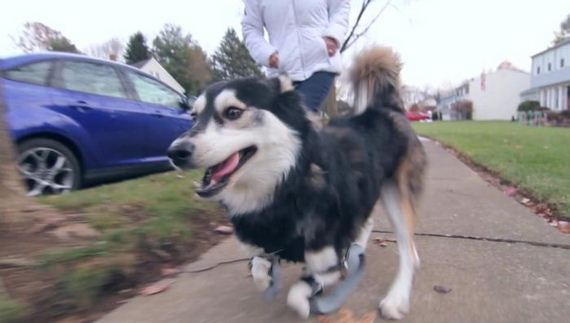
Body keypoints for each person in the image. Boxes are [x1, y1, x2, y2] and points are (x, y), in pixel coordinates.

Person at [242, 0, 350, 113]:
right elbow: (251, 29)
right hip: (281, 71)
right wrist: (266, 54)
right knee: (284, 121)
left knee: (299, 113)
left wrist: (333, 35)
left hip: (319, 64)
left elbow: (340, 7)